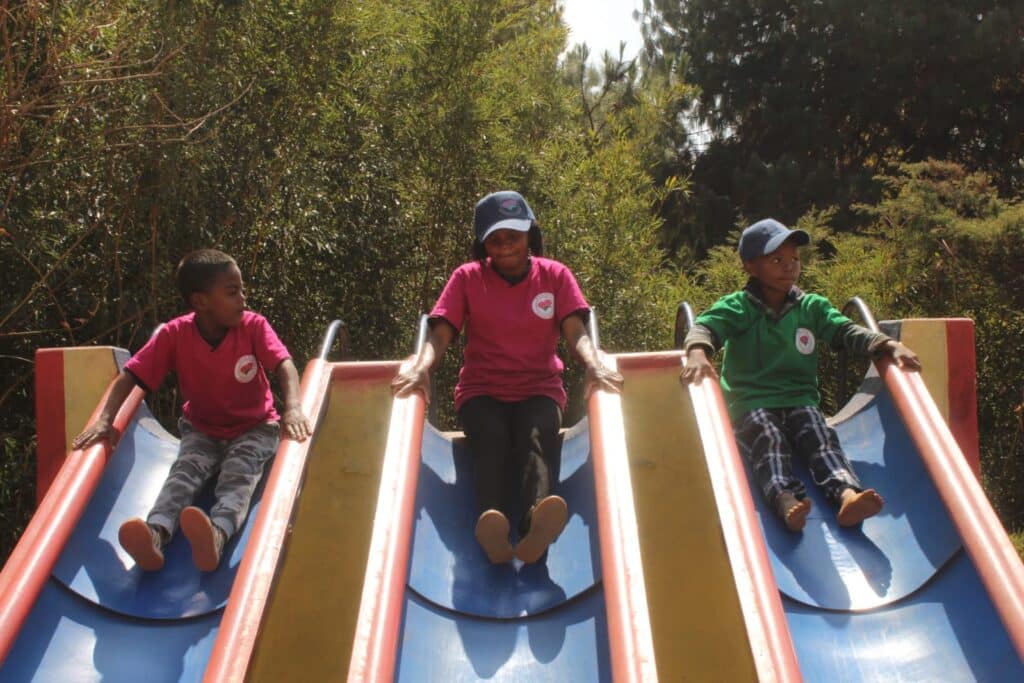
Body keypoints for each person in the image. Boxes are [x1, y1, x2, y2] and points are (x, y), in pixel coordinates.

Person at [391, 190, 623, 564]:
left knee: (536, 435)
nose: (505, 248)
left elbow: (575, 330)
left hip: (539, 387)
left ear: (529, 234)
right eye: (495, 240)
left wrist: (593, 363)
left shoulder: (554, 276)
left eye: (513, 237)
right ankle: (492, 522)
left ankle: (535, 522)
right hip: (482, 389)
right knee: (491, 437)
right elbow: (441, 332)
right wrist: (421, 367)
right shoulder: (468, 278)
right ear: (483, 245)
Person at [72, 249, 311, 572]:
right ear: (201, 301)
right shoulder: (175, 334)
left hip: (254, 427)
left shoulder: (253, 326)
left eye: (241, 290)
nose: (242, 299)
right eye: (232, 292)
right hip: (203, 430)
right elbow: (131, 376)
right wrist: (105, 420)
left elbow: (284, 364)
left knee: (239, 475)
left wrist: (293, 408)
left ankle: (217, 533)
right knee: (183, 475)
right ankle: (155, 533)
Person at [679, 218, 921, 531]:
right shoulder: (739, 307)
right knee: (768, 438)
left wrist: (886, 344)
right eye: (777, 260)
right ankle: (784, 498)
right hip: (751, 402)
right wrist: (698, 352)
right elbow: (705, 327)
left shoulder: (811, 307)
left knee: (819, 435)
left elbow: (844, 330)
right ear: (751, 266)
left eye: (794, 259)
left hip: (799, 399)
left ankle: (846, 495)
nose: (789, 266)